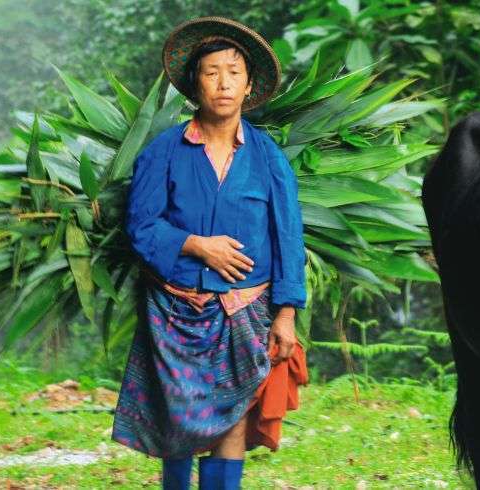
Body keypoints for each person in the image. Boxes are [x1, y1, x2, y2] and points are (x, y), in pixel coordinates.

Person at [110, 16, 307, 490]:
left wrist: (285, 313)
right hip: (174, 309)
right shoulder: (164, 151)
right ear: (194, 84)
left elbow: (288, 237)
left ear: (248, 84)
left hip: (245, 309)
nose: (223, 82)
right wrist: (196, 245)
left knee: (233, 415)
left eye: (233, 72)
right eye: (211, 71)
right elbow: (141, 225)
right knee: (177, 419)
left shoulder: (267, 157)